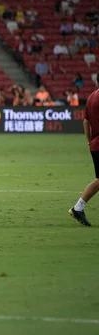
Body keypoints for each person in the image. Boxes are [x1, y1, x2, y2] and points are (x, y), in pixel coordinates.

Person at [69, 78, 99, 227]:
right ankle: (77, 208)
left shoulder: (92, 96)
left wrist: (90, 141)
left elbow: (85, 122)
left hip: (95, 144)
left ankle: (78, 208)